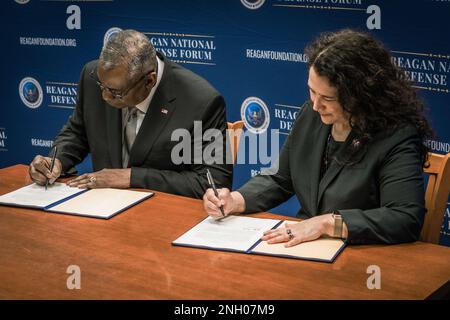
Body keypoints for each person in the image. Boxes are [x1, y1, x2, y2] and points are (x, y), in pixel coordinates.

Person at [203, 29, 434, 245]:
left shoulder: (396, 136)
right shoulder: (311, 116)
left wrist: (327, 223)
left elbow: (404, 218)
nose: (315, 105)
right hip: (303, 246)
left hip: (360, 254)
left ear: (361, 95)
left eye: (328, 98)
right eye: (312, 91)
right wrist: (235, 200)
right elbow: (280, 179)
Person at [29, 29, 232, 198]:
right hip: (101, 209)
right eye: (102, 85)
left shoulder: (201, 101)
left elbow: (212, 182)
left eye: (116, 92)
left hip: (162, 217)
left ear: (149, 81)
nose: (104, 96)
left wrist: (131, 177)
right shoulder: (95, 77)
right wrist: (57, 160)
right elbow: (77, 132)